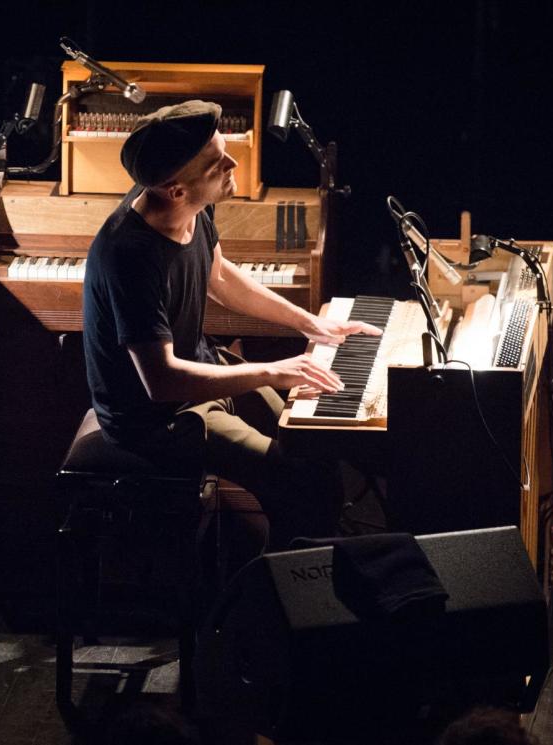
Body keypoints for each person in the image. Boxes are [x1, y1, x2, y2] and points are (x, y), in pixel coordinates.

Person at [82, 99, 380, 547]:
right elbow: (162, 382)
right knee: (296, 480)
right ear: (175, 189)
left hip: (200, 371)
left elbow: (219, 276)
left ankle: (303, 568)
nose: (233, 162)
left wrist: (309, 324)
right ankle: (279, 597)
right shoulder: (131, 256)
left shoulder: (192, 203)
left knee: (314, 442)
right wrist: (273, 372)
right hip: (155, 420)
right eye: (217, 163)